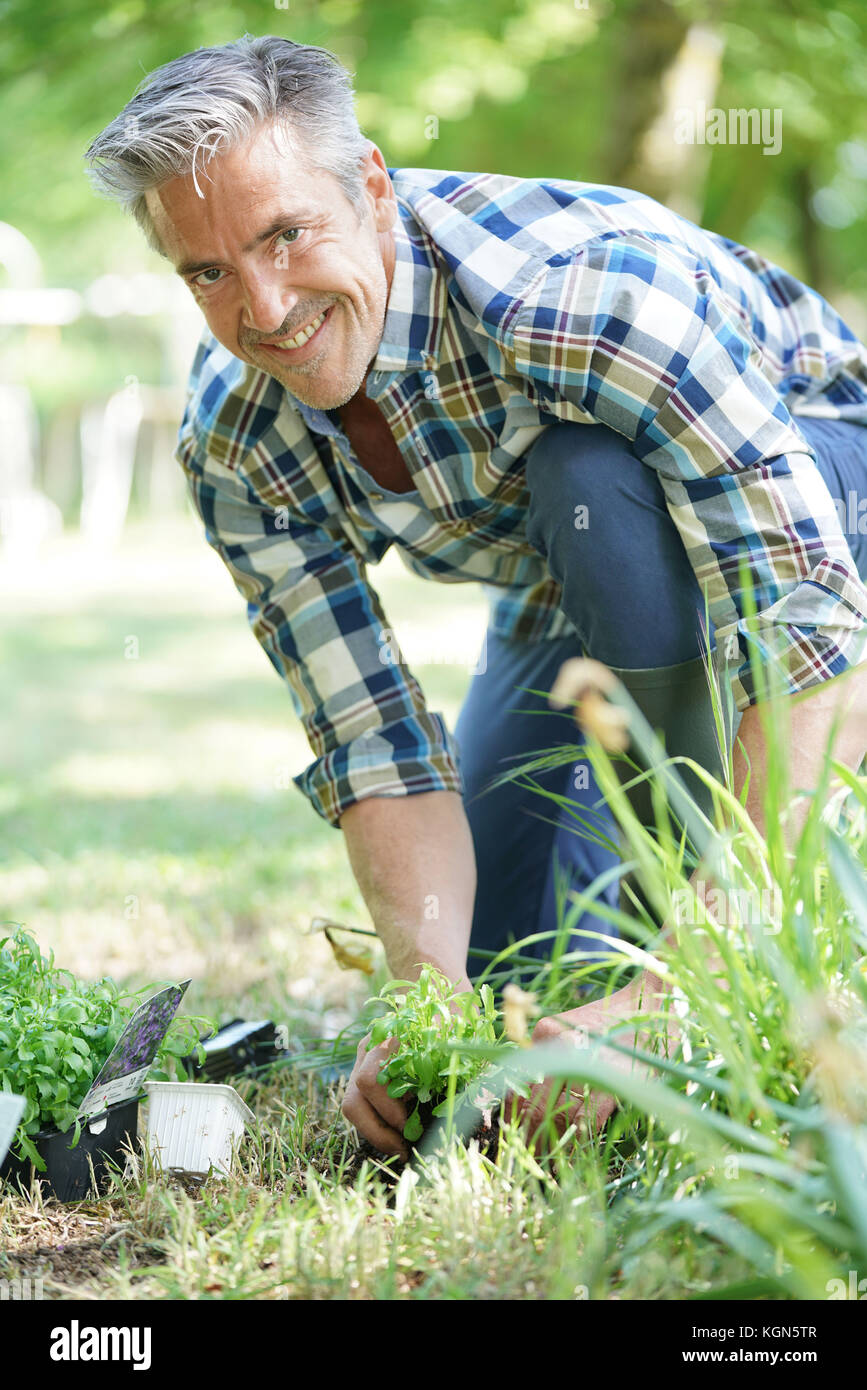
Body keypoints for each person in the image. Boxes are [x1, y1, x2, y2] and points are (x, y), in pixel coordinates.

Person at [86, 34, 867, 1159]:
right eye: (208, 272)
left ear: (369, 187)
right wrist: (425, 1000)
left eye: (285, 234)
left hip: (821, 520)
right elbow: (374, 741)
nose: (263, 309)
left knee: (589, 476)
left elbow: (804, 627)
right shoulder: (235, 440)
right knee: (494, 984)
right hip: (567, 588)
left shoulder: (588, 301)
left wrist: (679, 988)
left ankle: (701, 968)